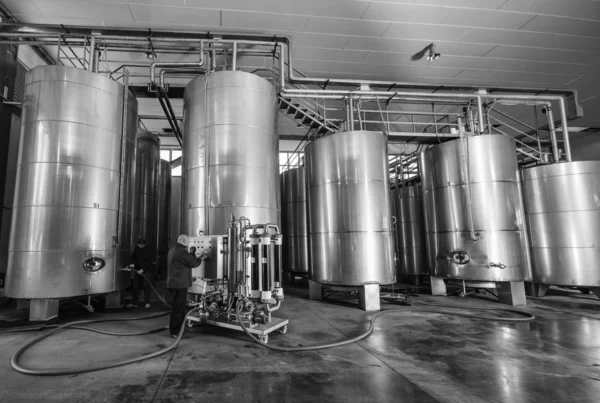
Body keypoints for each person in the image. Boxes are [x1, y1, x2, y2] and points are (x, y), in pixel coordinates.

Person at [167, 234, 208, 339]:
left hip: (174, 282)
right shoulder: (181, 252)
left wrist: (192, 253)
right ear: (184, 241)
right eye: (188, 241)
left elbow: (184, 261)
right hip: (179, 284)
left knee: (178, 307)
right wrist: (201, 258)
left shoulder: (173, 250)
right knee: (178, 308)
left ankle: (177, 329)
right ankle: (175, 332)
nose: (189, 243)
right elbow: (193, 263)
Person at [128, 236, 153, 309]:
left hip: (146, 271)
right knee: (136, 287)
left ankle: (147, 303)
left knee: (146, 287)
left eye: (142, 244)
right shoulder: (136, 248)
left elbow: (150, 262)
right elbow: (132, 257)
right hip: (137, 271)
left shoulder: (149, 250)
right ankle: (135, 303)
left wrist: (143, 269)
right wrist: (132, 263)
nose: (140, 246)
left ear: (145, 244)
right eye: (139, 244)